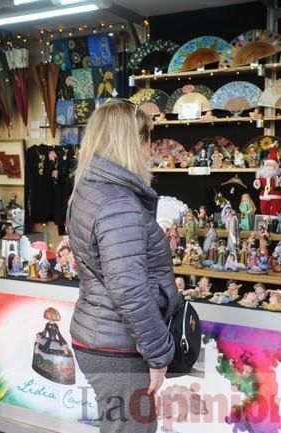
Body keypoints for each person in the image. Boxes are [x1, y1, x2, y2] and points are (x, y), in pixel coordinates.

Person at [67, 100, 179, 433]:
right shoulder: (119, 206)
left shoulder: (90, 189)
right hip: (118, 347)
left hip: (101, 336)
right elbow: (130, 291)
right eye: (149, 140)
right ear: (133, 142)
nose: (151, 150)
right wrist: (160, 355)